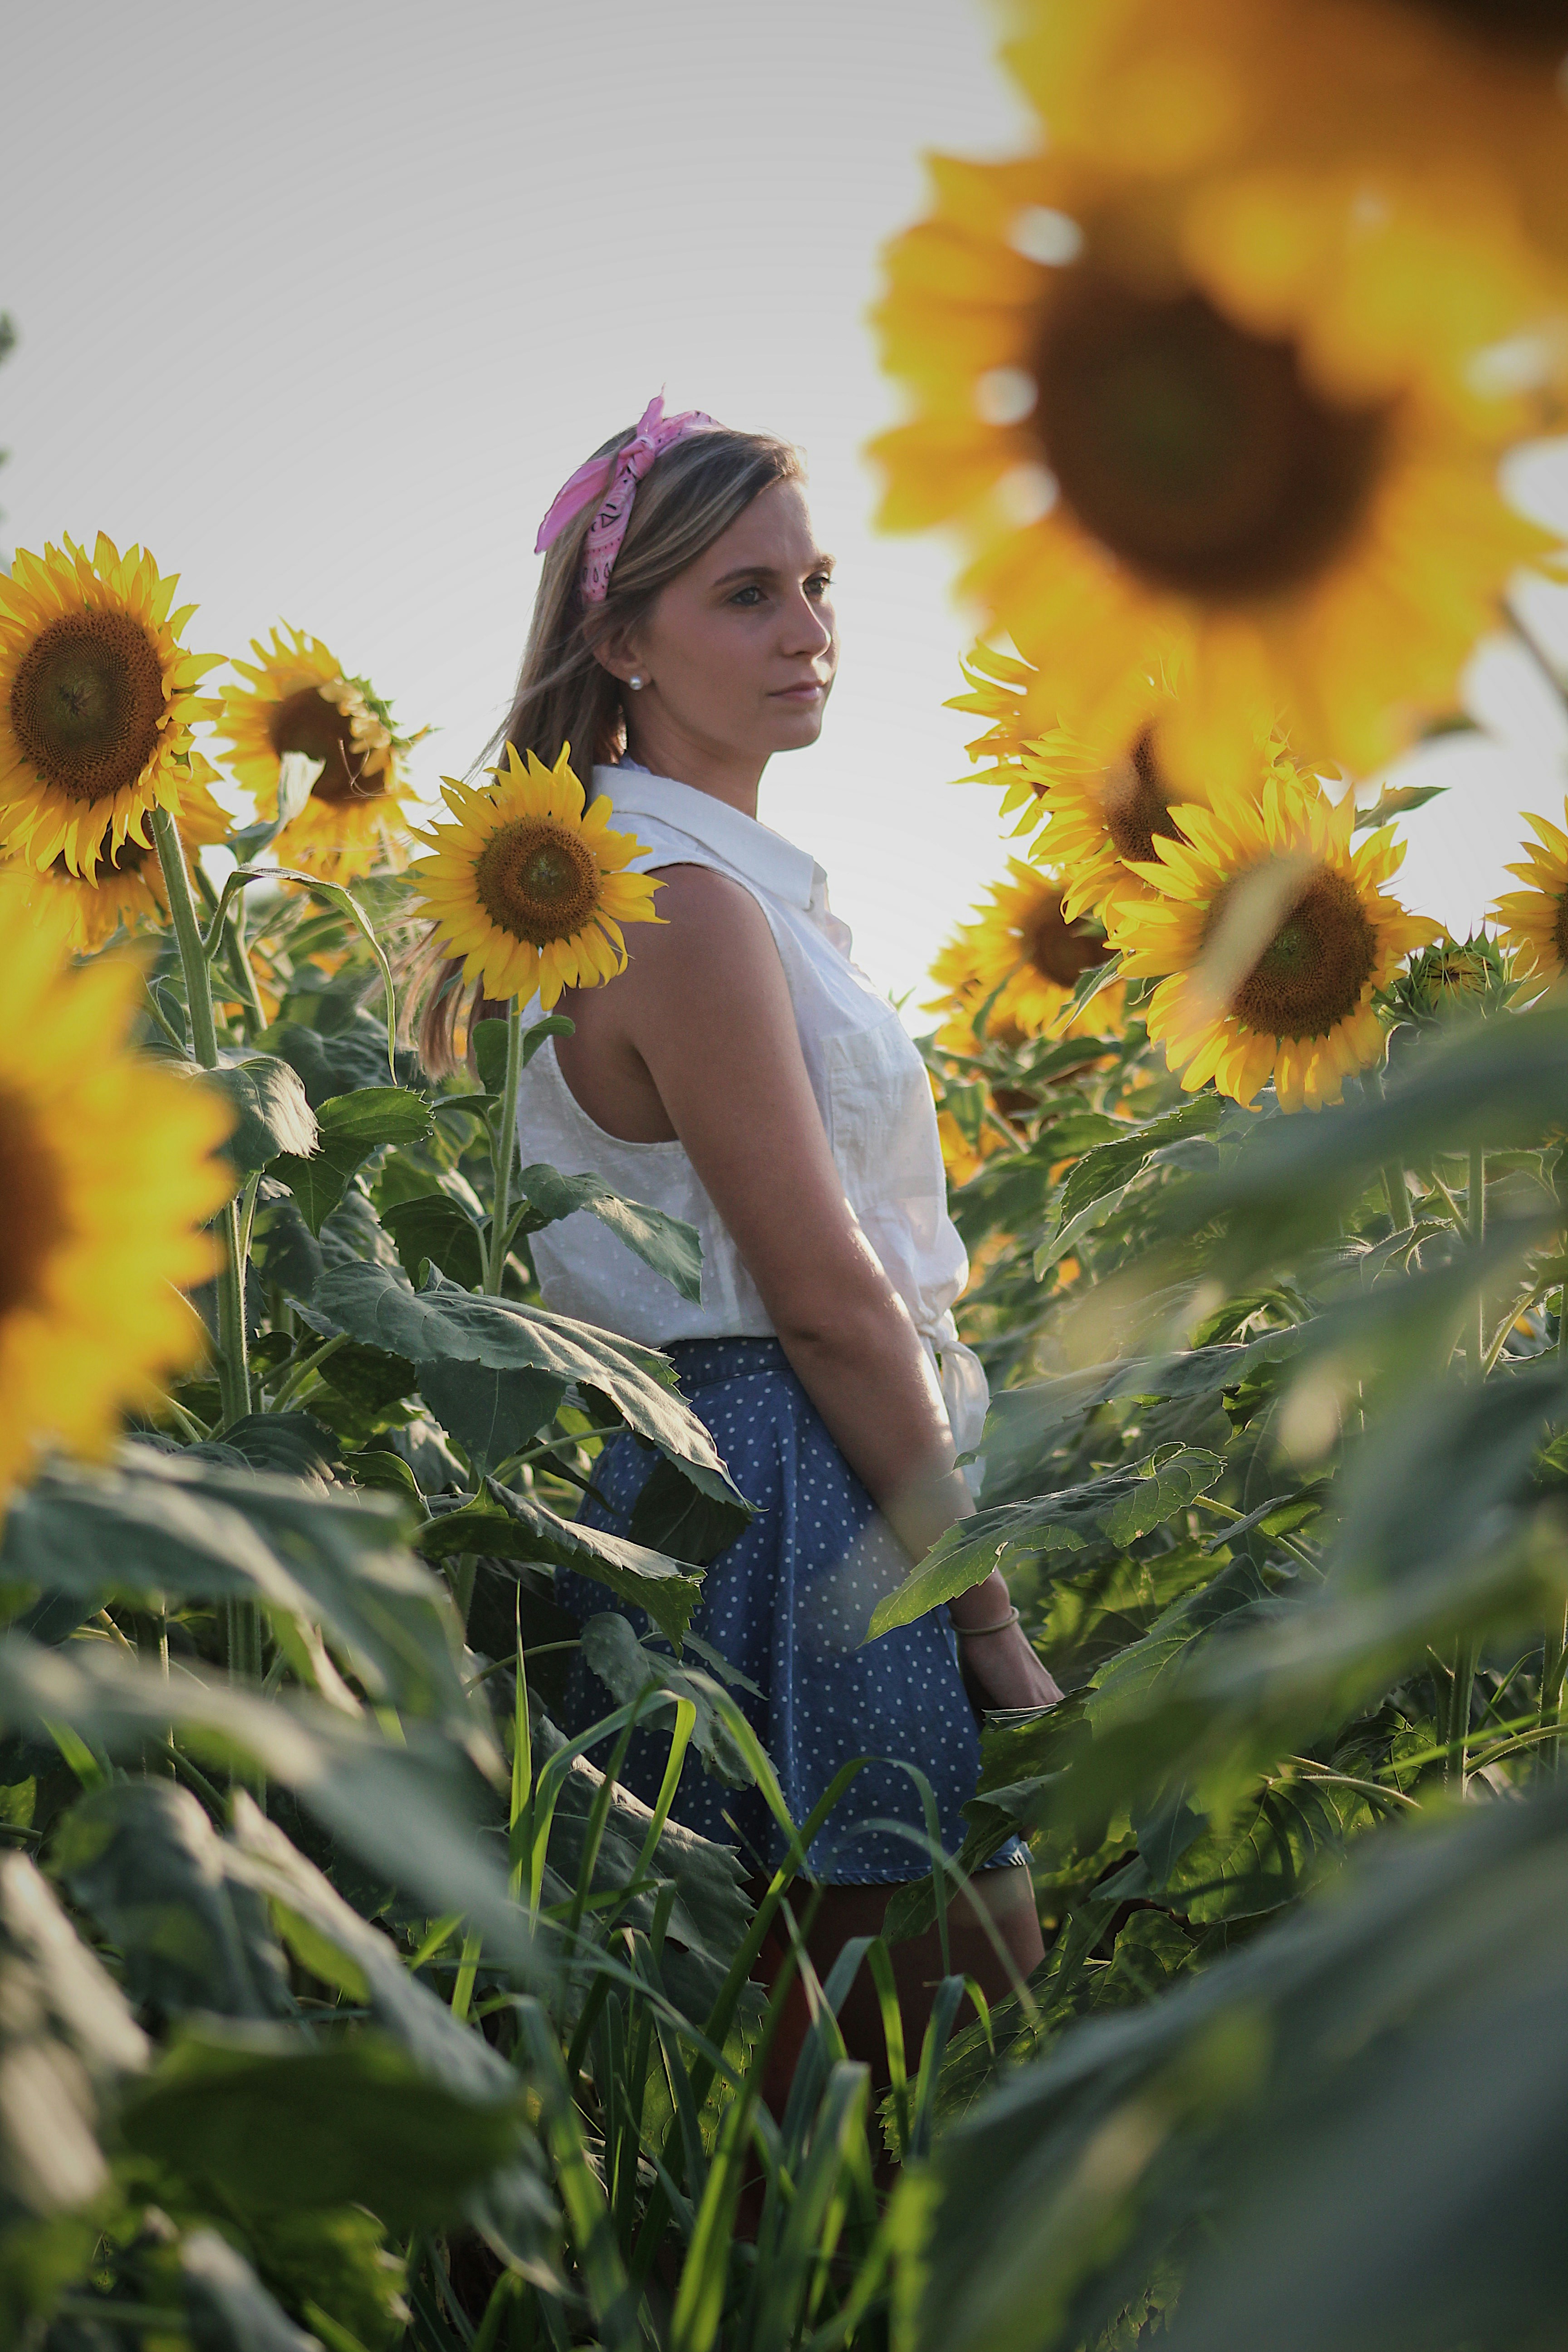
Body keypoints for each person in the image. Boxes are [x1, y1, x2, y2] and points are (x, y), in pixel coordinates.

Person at [422, 395, 1062, 2089]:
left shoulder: (648, 877)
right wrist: (984, 1621)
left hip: (716, 1479)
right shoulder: (678, 906)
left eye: (818, 584)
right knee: (907, 2008)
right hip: (784, 1486)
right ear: (620, 638)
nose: (809, 633)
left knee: (748, 2049)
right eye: (746, 595)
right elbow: (830, 1300)